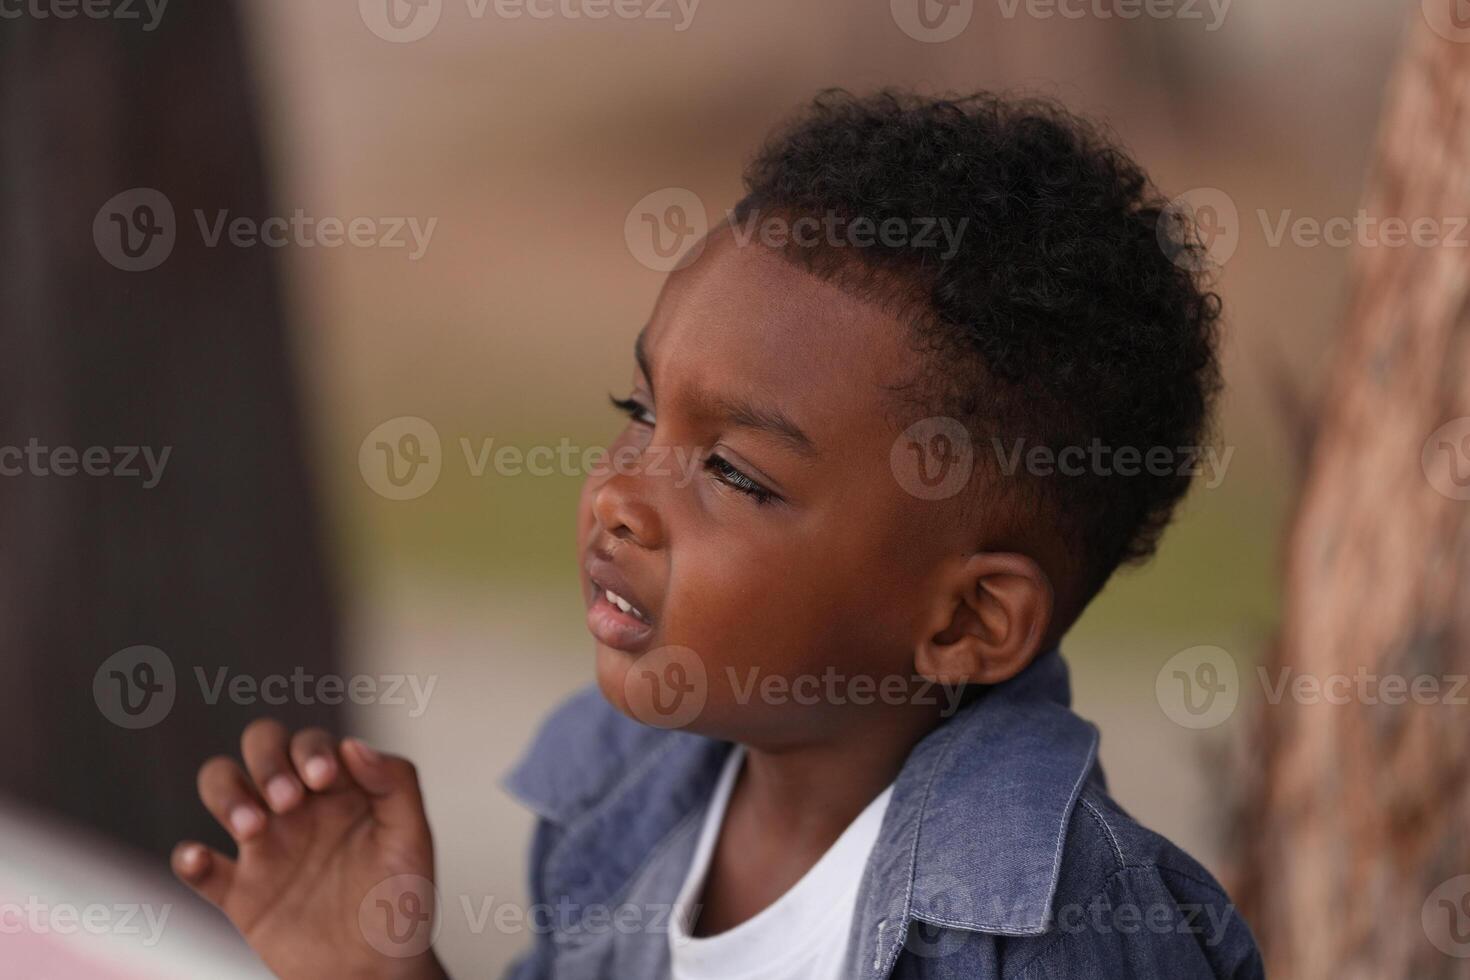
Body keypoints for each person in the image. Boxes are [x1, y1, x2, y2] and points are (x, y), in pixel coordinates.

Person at [171, 90, 1264, 979]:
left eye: (734, 471)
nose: (620, 496)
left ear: (969, 618)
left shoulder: (1060, 933)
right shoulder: (625, 794)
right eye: (639, 410)